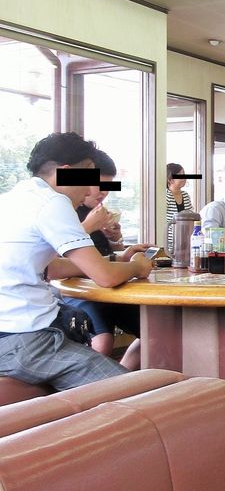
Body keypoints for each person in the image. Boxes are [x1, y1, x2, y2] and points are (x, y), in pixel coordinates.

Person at [0, 132, 153, 390]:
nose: (91, 190)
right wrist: (137, 267)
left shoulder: (14, 197)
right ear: (66, 172)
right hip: (25, 339)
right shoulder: (53, 202)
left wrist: (116, 261)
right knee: (140, 391)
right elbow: (105, 277)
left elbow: (52, 267)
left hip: (16, 335)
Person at [59, 148, 149, 370]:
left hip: (109, 287)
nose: (103, 193)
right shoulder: (64, 210)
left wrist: (117, 244)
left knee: (155, 330)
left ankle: (122, 377)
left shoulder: (98, 212)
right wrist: (89, 226)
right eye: (99, 185)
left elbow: (102, 256)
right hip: (78, 290)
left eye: (108, 187)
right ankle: (102, 382)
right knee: (102, 342)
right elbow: (54, 260)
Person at [166, 162, 195, 253]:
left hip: (185, 240)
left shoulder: (185, 195)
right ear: (170, 179)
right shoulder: (166, 195)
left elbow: (190, 216)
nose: (184, 178)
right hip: (170, 243)